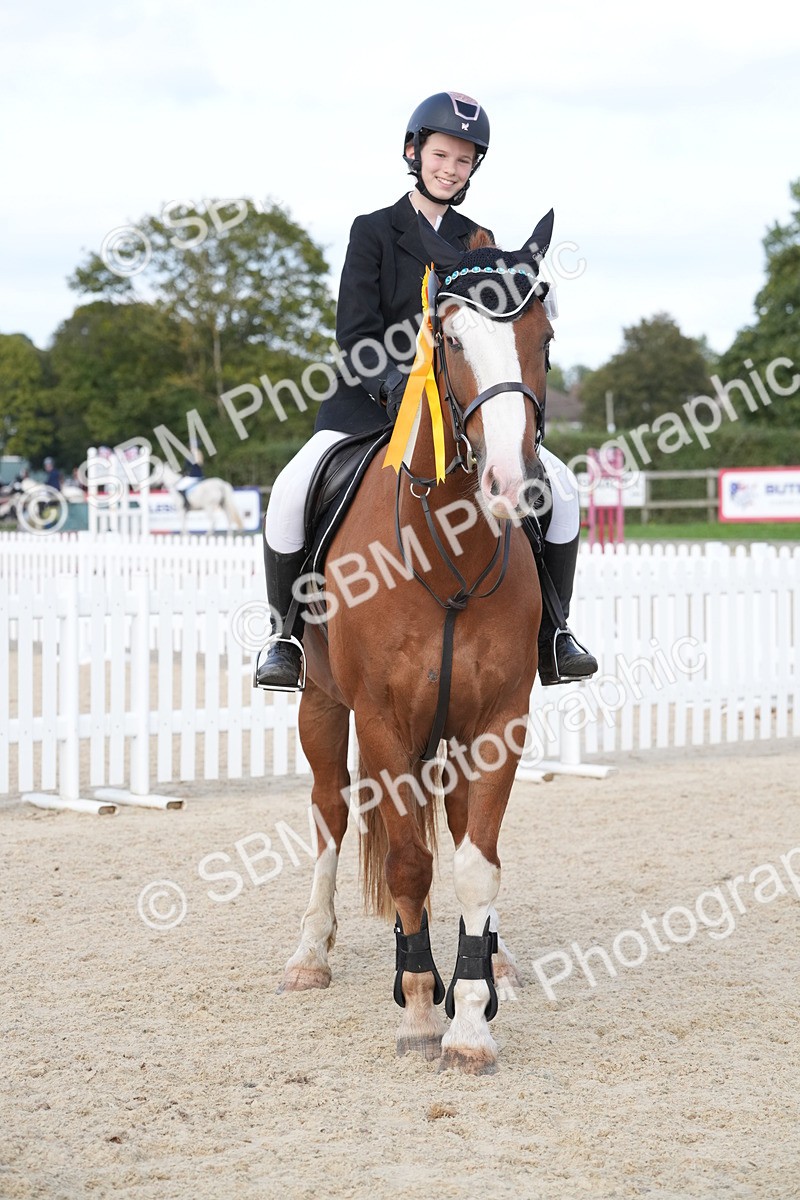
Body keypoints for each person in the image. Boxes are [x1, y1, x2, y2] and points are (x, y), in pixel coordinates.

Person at [256, 91, 597, 691]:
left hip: (458, 408)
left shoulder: (478, 239)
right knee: (291, 490)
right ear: (414, 153)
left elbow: (497, 328)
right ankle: (285, 637)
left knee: (561, 490)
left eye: (464, 161)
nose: (450, 168)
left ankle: (555, 632)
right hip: (368, 406)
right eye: (441, 155)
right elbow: (354, 333)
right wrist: (392, 387)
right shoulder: (373, 232)